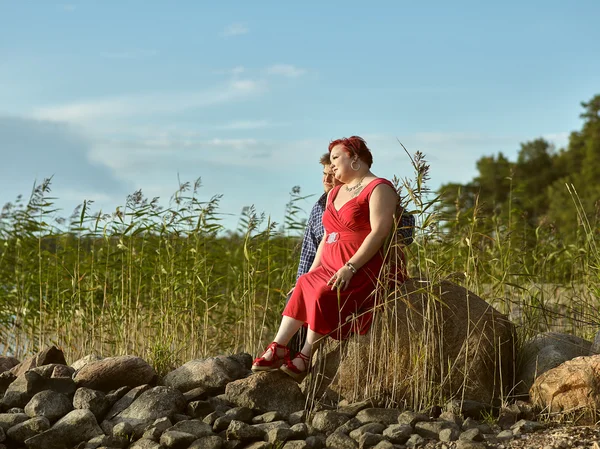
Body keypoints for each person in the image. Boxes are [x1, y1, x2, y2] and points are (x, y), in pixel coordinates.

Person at [253, 136, 406, 381]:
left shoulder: (379, 188)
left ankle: (305, 354)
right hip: (329, 263)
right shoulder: (334, 192)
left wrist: (350, 267)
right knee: (305, 284)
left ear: (355, 157)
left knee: (325, 292)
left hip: (363, 265)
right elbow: (326, 237)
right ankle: (278, 346)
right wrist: (310, 273)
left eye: (336, 158)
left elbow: (379, 232)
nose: (332, 165)